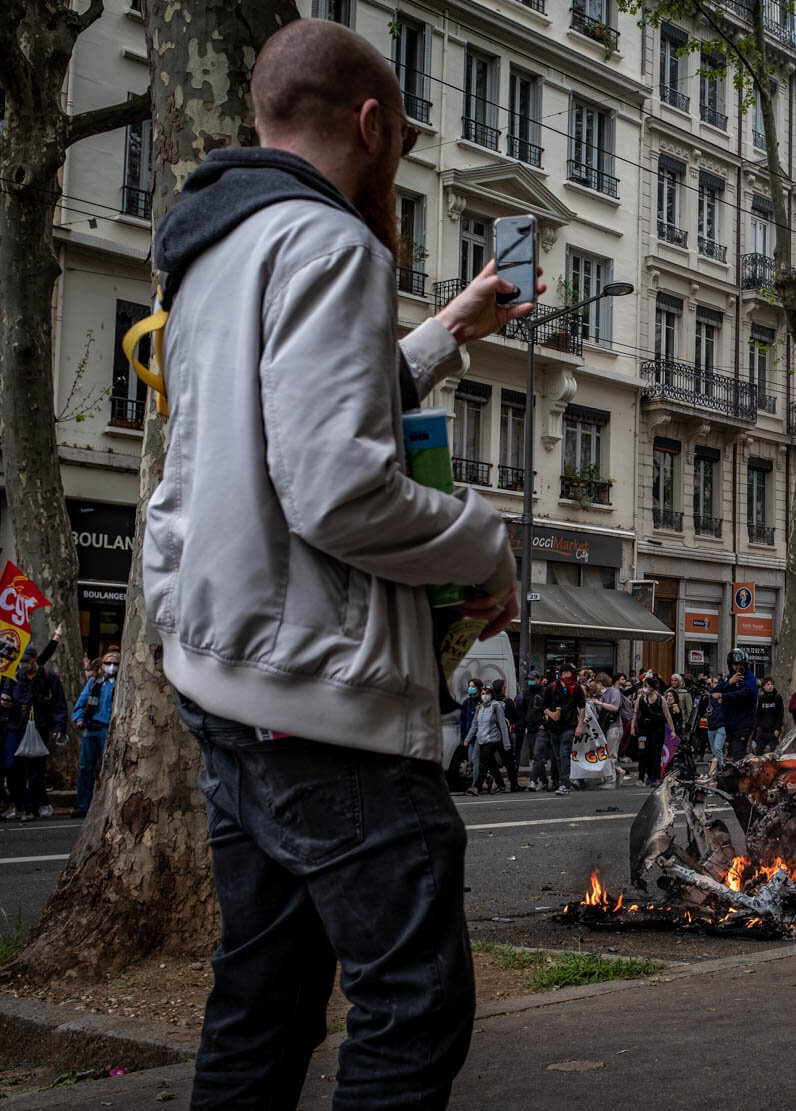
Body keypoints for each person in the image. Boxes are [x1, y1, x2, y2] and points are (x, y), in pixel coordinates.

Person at [140, 19, 536, 1106]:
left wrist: (447, 330)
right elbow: (336, 491)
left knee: (260, 1008)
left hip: (225, 678)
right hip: (322, 698)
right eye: (400, 137)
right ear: (374, 124)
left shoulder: (214, 246)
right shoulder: (331, 243)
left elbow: (276, 423)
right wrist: (484, 544)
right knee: (413, 1006)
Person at [2, 642, 68, 822]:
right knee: (11, 766)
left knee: (35, 770)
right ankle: (19, 803)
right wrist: (6, 701)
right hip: (17, 726)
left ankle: (31, 807)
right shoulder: (14, 675)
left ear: (34, 659)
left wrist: (59, 727)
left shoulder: (49, 677)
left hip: (39, 727)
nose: (23, 664)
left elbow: (59, 704)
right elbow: (5, 694)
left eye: (26, 660)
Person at [70, 649, 121, 816]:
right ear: (102, 665)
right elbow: (81, 702)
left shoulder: (121, 684)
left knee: (107, 768)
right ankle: (82, 805)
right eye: (108, 663)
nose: (111, 666)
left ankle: (108, 805)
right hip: (91, 728)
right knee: (86, 768)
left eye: (115, 663)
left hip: (108, 729)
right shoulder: (94, 682)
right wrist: (78, 718)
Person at [710, 650, 759, 762]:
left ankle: (740, 777)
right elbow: (714, 691)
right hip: (729, 723)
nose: (738, 667)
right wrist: (729, 683)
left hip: (744, 723)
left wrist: (724, 695)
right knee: (731, 754)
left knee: (738, 755)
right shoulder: (728, 678)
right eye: (735, 664)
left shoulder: (749, 677)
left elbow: (746, 693)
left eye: (741, 664)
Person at [543, 666, 585, 795]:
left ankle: (564, 784)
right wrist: (551, 714)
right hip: (554, 727)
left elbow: (582, 707)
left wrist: (579, 726)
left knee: (564, 753)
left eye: (570, 673)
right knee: (557, 756)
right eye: (566, 673)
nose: (568, 675)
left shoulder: (577, 688)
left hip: (569, 725)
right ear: (561, 674)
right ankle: (561, 780)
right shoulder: (551, 687)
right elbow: (544, 707)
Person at [753, 675, 784, 755]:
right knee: (758, 751)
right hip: (763, 730)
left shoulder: (777, 697)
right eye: (768, 684)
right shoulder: (761, 698)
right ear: (763, 687)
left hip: (773, 731)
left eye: (772, 684)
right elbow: (758, 713)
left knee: (774, 753)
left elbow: (780, 714)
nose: (770, 686)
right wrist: (757, 727)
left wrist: (777, 728)